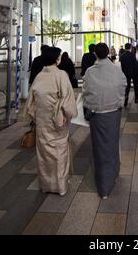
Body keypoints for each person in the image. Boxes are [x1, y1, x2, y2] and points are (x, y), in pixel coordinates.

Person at [25, 47, 77, 196]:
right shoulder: (61, 75)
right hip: (58, 120)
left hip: (42, 120)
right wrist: (67, 114)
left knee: (44, 153)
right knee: (59, 151)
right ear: (56, 59)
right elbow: (67, 99)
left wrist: (36, 116)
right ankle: (60, 185)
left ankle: (46, 184)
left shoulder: (39, 76)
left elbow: (31, 103)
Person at [82, 43, 126, 198]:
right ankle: (113, 175)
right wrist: (119, 101)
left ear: (95, 54)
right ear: (108, 53)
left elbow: (86, 92)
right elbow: (123, 86)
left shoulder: (90, 72)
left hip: (97, 114)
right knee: (112, 144)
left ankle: (103, 186)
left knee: (99, 148)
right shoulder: (116, 70)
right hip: (113, 113)